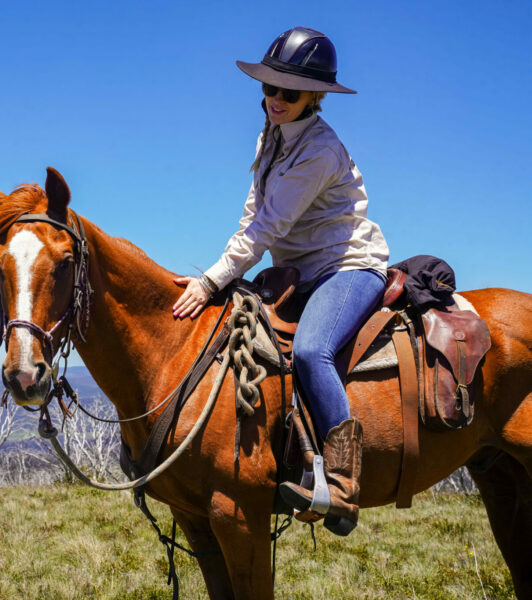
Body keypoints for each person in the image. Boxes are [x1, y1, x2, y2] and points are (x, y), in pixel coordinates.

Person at [171, 26, 389, 536]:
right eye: (268, 88)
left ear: (315, 96)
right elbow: (253, 213)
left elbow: (269, 227)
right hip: (298, 272)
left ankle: (342, 482)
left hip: (346, 266)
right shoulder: (270, 138)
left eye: (288, 92)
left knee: (313, 352)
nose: (275, 99)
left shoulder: (319, 150)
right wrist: (219, 277)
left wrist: (211, 280)